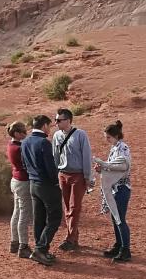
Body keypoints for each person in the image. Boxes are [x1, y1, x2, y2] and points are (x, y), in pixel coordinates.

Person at [20, 115, 63, 266]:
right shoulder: (44, 142)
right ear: (44, 125)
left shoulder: (25, 142)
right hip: (46, 185)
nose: (50, 129)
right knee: (55, 217)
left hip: (33, 184)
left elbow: (24, 164)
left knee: (39, 218)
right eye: (49, 126)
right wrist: (56, 183)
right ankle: (40, 249)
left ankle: (40, 250)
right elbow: (50, 168)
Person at [52, 108, 93, 251]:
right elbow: (55, 156)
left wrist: (88, 177)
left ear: (68, 120)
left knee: (74, 207)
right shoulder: (56, 135)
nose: (56, 123)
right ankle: (74, 238)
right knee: (68, 208)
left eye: (59, 120)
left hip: (78, 175)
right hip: (63, 174)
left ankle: (70, 239)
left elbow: (87, 156)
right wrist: (56, 173)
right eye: (56, 120)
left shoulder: (81, 135)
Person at [93, 120, 132, 263]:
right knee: (115, 219)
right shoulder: (115, 147)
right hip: (115, 189)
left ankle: (125, 250)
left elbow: (122, 166)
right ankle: (119, 245)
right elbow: (112, 166)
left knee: (120, 219)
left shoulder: (123, 148)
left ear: (115, 135)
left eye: (108, 137)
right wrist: (102, 168)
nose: (107, 140)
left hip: (121, 188)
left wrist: (104, 165)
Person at [6, 121, 31, 259]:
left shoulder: (11, 145)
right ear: (16, 133)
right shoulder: (19, 148)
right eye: (23, 132)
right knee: (24, 214)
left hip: (15, 180)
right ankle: (23, 246)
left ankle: (14, 242)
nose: (25, 135)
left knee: (17, 212)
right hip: (23, 182)